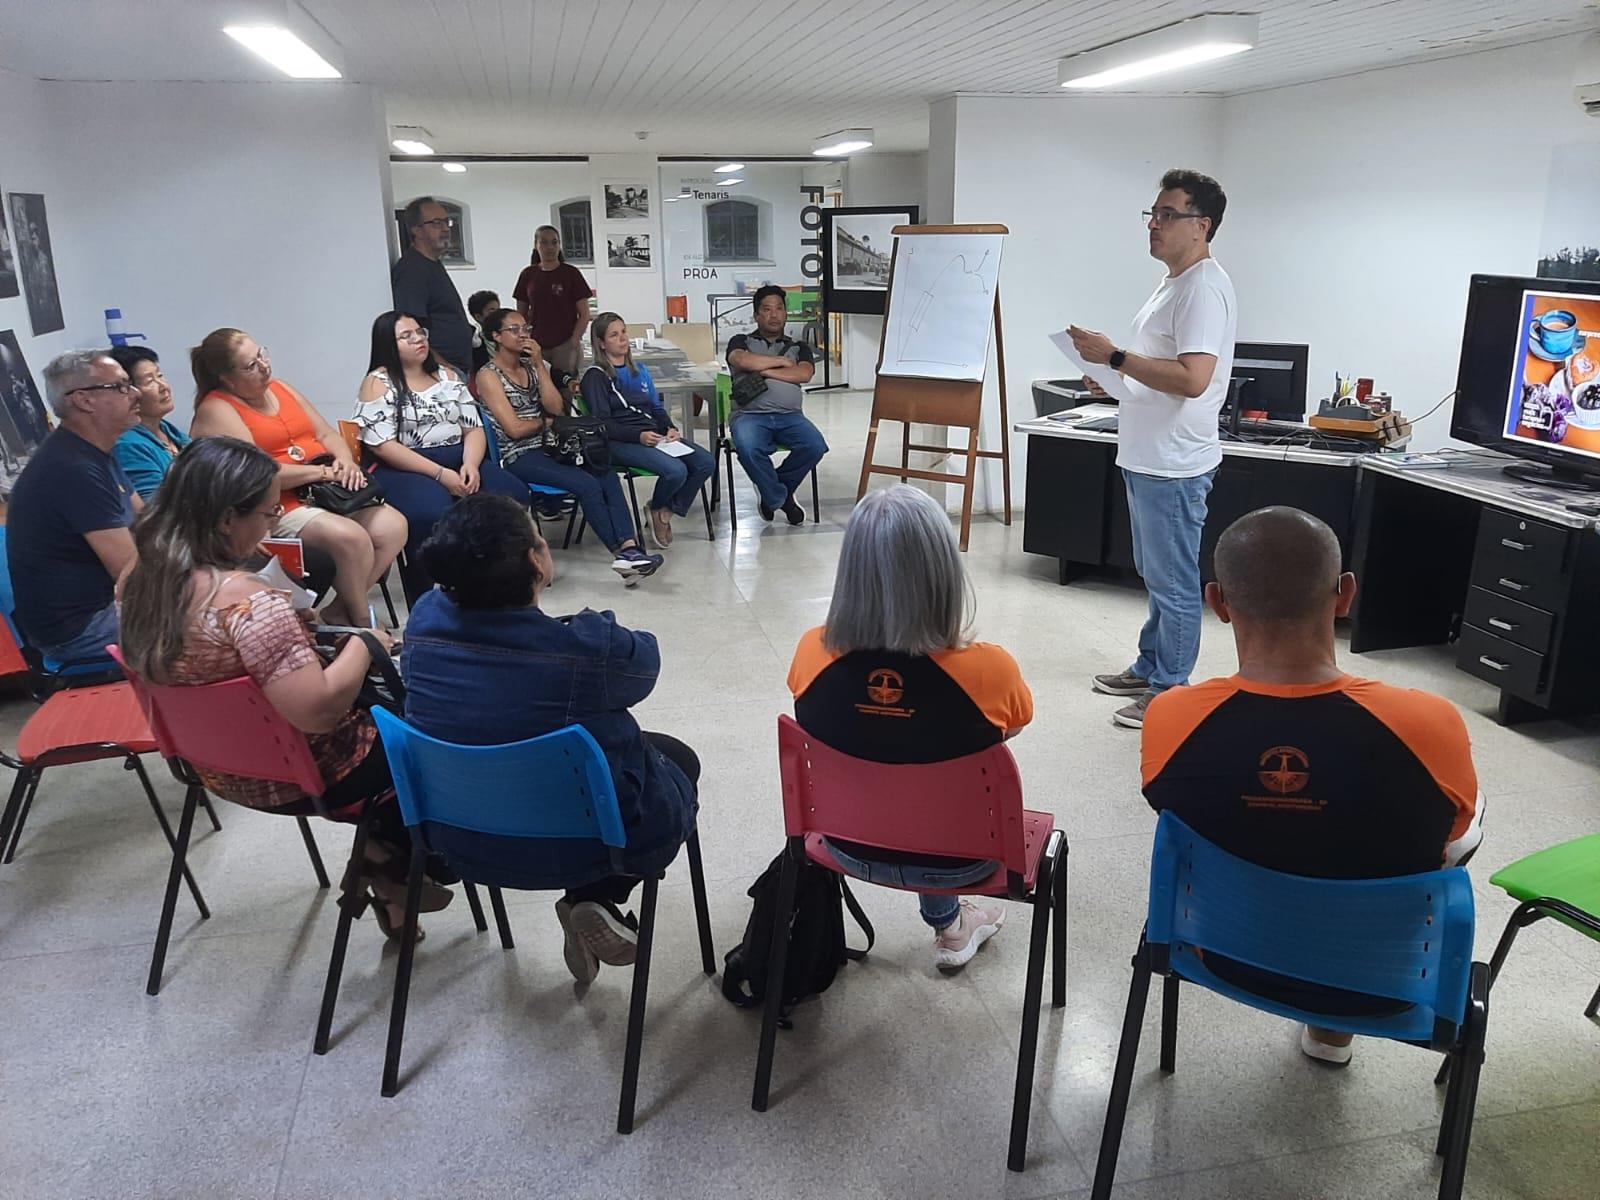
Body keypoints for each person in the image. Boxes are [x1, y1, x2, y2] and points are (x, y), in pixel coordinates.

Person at [1141, 506, 1483, 1066]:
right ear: (1344, 594)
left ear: (1218, 603)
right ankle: (1330, 1030)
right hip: (1381, 984)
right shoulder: (1430, 724)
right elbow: (1454, 837)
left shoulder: (1170, 718)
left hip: (1222, 958)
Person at [117, 437, 452, 937]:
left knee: (394, 725)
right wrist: (366, 642)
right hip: (301, 775)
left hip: (214, 766)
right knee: (431, 741)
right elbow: (318, 712)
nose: (273, 524)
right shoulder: (248, 603)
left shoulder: (140, 581)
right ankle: (392, 862)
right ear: (226, 518)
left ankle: (387, 865)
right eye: (268, 512)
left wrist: (294, 633)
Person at [401, 493, 700, 983]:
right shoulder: (586, 647)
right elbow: (645, 663)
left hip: (459, 837)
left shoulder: (424, 619)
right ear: (535, 560)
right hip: (585, 846)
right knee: (677, 760)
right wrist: (589, 628)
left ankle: (590, 900)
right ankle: (595, 895)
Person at [787, 485, 1034, 971]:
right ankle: (952, 925)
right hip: (962, 858)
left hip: (845, 845)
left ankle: (950, 920)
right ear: (944, 571)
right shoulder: (991, 670)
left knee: (890, 764)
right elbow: (1009, 730)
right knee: (935, 776)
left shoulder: (811, 652)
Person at [1069, 168, 1238, 729]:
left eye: (1168, 215)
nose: (1154, 224)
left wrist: (1115, 357)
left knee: (1174, 579)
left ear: (1201, 225)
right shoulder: (1174, 283)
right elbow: (1163, 369)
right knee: (1155, 573)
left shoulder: (1204, 289)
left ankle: (1170, 689)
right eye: (1153, 213)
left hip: (1174, 461)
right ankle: (1150, 665)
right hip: (1147, 453)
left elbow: (1193, 379)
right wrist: (1115, 380)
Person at [190, 328, 406, 628]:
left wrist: (345, 461)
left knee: (393, 526)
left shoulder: (280, 388)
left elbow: (326, 433)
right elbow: (259, 474)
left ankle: (337, 611)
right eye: (251, 366)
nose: (264, 366)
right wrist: (322, 472)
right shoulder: (217, 408)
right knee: (351, 538)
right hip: (277, 505)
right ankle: (361, 620)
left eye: (261, 355)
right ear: (226, 377)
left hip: (325, 492)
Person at [475, 308, 662, 584]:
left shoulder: (530, 366)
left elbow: (556, 408)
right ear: (496, 336)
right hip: (520, 454)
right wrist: (545, 422)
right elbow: (514, 429)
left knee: (605, 471)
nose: (523, 334)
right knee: (586, 484)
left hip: (553, 445)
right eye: (514, 330)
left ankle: (630, 547)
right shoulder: (489, 375)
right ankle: (622, 555)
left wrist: (539, 366)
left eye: (525, 328)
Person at [354, 310, 530, 601]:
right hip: (404, 465)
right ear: (388, 344)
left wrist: (470, 464)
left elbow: (473, 428)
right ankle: (425, 597)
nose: (418, 339)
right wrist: (440, 475)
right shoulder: (378, 383)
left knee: (512, 495)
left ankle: (491, 582)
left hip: (458, 457)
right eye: (406, 336)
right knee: (431, 513)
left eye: (420, 332)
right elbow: (382, 445)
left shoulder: (448, 376)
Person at [6, 350, 140, 664]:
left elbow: (148, 521)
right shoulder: (73, 469)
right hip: (82, 630)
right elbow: (132, 575)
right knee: (221, 619)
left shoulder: (96, 451)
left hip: (108, 607)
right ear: (84, 400)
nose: (135, 393)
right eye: (120, 386)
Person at [581, 312, 714, 550]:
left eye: (624, 332)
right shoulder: (596, 376)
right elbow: (602, 423)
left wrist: (669, 428)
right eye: (614, 335)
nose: (623, 338)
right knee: (676, 471)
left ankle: (663, 511)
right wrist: (638, 436)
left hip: (653, 434)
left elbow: (655, 407)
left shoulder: (639, 370)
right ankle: (658, 509)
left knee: (705, 462)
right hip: (619, 441)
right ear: (601, 343)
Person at [725, 284, 828, 525]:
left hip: (790, 416)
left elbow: (803, 374)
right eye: (767, 309)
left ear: (785, 313)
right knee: (748, 447)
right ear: (756, 315)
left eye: (779, 308)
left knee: (815, 446)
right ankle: (782, 498)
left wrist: (764, 371)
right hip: (750, 415)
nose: (774, 315)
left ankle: (770, 489)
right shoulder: (741, 340)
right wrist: (782, 362)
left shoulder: (799, 347)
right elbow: (741, 360)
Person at [390, 197, 473, 377]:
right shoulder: (413, 270)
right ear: (416, 230)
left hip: (454, 367)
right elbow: (410, 327)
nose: (446, 229)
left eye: (446, 221)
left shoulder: (431, 263)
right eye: (436, 223)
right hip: (438, 373)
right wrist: (445, 370)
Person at [512, 224, 592, 387]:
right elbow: (521, 314)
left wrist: (574, 340)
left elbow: (584, 314)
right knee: (539, 386)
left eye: (554, 242)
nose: (550, 247)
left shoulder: (571, 273)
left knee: (566, 387)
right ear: (536, 245)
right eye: (544, 242)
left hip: (565, 343)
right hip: (537, 343)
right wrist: (524, 339)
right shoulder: (528, 274)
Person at [109, 345, 189, 499]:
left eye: (160, 375)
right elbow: (154, 506)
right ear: (128, 393)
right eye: (150, 381)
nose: (163, 386)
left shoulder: (170, 432)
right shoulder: (128, 445)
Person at [466, 289, 500, 378]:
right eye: (492, 311)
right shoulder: (476, 340)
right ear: (478, 317)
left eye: (498, 310)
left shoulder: (508, 335)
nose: (498, 314)